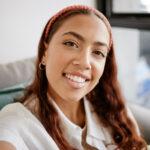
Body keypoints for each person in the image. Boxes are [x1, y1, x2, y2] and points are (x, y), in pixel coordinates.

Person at [0, 5, 147, 150]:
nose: (84, 62)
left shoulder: (115, 110)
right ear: (45, 53)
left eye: (98, 52)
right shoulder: (14, 121)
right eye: (70, 43)